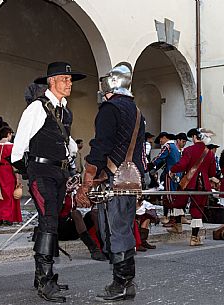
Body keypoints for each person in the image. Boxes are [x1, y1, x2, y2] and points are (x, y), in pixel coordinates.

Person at [11, 61, 86, 303]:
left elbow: (68, 144)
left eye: (70, 79)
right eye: (65, 79)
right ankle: (44, 280)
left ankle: (43, 276)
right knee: (49, 221)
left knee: (50, 222)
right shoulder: (36, 108)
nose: (70, 83)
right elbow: (18, 149)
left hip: (59, 175)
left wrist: (70, 162)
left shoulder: (66, 111)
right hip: (41, 173)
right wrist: (32, 173)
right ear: (51, 81)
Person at [75, 62, 145, 302]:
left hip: (114, 180)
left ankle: (122, 284)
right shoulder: (136, 110)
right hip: (130, 178)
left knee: (115, 232)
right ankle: (125, 282)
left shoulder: (110, 108)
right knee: (122, 230)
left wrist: (88, 178)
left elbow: (100, 145)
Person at [169, 128, 216, 246]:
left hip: (188, 181)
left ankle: (178, 226)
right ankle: (194, 238)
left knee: (179, 201)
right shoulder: (210, 153)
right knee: (197, 209)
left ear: (195, 137)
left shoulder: (188, 150)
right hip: (203, 184)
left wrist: (172, 169)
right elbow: (212, 173)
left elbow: (182, 165)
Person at [150, 132, 181, 227]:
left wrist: (151, 165)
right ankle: (175, 218)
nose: (160, 141)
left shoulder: (168, 146)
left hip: (170, 174)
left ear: (164, 137)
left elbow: (160, 157)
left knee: (169, 195)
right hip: (177, 173)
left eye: (161, 139)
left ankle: (172, 219)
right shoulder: (175, 147)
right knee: (175, 195)